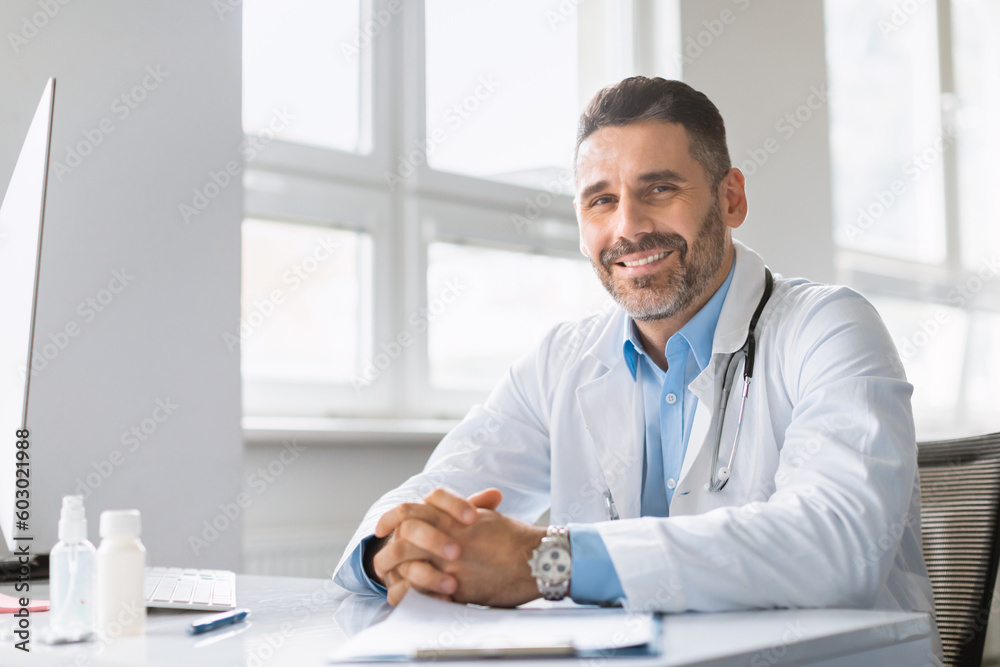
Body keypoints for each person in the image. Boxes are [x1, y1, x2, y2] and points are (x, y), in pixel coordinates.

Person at [332, 77, 936, 631]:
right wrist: (399, 549)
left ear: (730, 199)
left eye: (660, 189)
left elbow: (835, 547)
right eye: (600, 200)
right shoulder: (559, 360)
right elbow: (435, 488)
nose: (628, 227)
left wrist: (548, 563)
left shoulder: (829, 327)